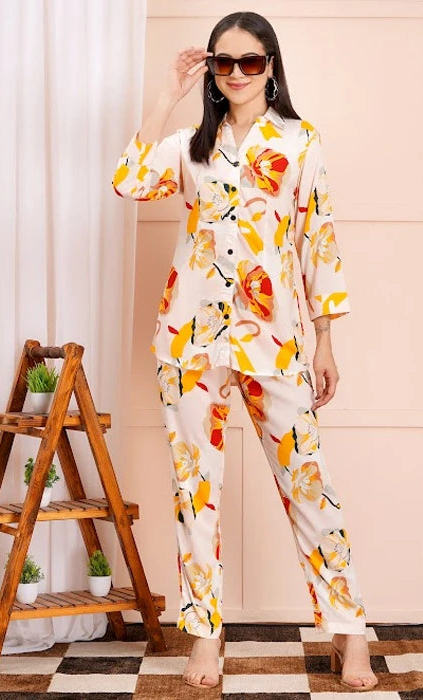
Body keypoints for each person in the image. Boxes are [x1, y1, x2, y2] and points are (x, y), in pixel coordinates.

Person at [111, 11, 378, 692]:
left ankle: (349, 633)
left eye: (249, 62)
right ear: (211, 70)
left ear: (270, 66)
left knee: (309, 486)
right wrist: (166, 96)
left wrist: (325, 339)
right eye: (223, 62)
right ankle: (206, 637)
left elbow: (317, 239)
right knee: (194, 495)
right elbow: (128, 181)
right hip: (190, 340)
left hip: (275, 339)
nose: (236, 74)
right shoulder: (189, 147)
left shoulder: (300, 142)